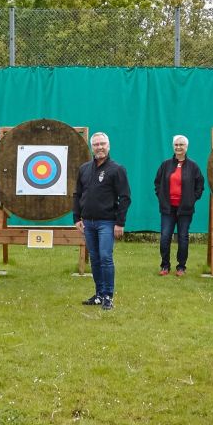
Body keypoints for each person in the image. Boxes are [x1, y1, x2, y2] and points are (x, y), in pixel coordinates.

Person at [73, 131, 131, 310]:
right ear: (92, 147)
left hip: (107, 222)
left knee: (106, 257)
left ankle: (108, 296)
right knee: (95, 259)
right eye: (96, 144)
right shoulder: (84, 169)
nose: (99, 147)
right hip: (88, 223)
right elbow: (77, 194)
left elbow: (125, 197)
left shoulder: (117, 169)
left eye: (102, 144)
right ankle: (98, 295)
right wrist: (76, 218)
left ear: (108, 146)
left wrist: (120, 223)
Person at [152, 134, 204, 276]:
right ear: (173, 146)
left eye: (181, 145)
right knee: (165, 237)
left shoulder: (193, 166)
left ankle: (181, 267)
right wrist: (162, 198)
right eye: (176, 144)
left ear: (186, 147)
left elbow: (200, 185)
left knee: (183, 237)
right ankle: (165, 266)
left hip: (185, 209)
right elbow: (157, 183)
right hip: (167, 209)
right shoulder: (166, 165)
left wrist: (192, 199)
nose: (178, 147)